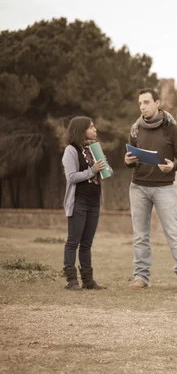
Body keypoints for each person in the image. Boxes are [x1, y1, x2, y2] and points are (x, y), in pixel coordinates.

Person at [124, 88, 177, 292]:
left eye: (146, 102)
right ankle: (141, 277)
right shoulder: (135, 128)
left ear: (157, 103)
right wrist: (127, 160)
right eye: (140, 103)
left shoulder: (170, 127)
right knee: (140, 235)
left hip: (164, 188)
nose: (142, 107)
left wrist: (173, 165)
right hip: (138, 187)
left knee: (174, 234)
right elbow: (130, 158)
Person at [61, 116, 107, 290]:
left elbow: (98, 174)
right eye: (91, 127)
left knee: (87, 243)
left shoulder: (93, 149)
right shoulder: (70, 151)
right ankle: (72, 280)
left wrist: (103, 169)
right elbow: (71, 177)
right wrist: (93, 169)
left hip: (94, 202)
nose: (95, 130)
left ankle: (88, 281)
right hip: (78, 201)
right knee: (73, 241)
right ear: (81, 130)